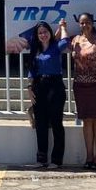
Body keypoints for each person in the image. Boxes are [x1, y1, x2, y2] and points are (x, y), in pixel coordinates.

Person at [24, 20, 69, 169]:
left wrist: (63, 27)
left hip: (55, 86)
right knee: (41, 124)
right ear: (36, 36)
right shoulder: (35, 51)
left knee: (56, 123)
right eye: (40, 33)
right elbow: (32, 70)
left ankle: (56, 160)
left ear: (50, 32)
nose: (43, 35)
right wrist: (29, 88)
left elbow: (65, 41)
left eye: (45, 32)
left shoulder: (56, 47)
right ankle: (41, 158)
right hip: (39, 86)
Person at [71, 14, 96, 170]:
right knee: (87, 121)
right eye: (82, 22)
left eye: (87, 22)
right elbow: (58, 41)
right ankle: (89, 156)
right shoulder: (75, 40)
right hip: (80, 85)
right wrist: (63, 28)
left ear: (92, 24)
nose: (84, 25)